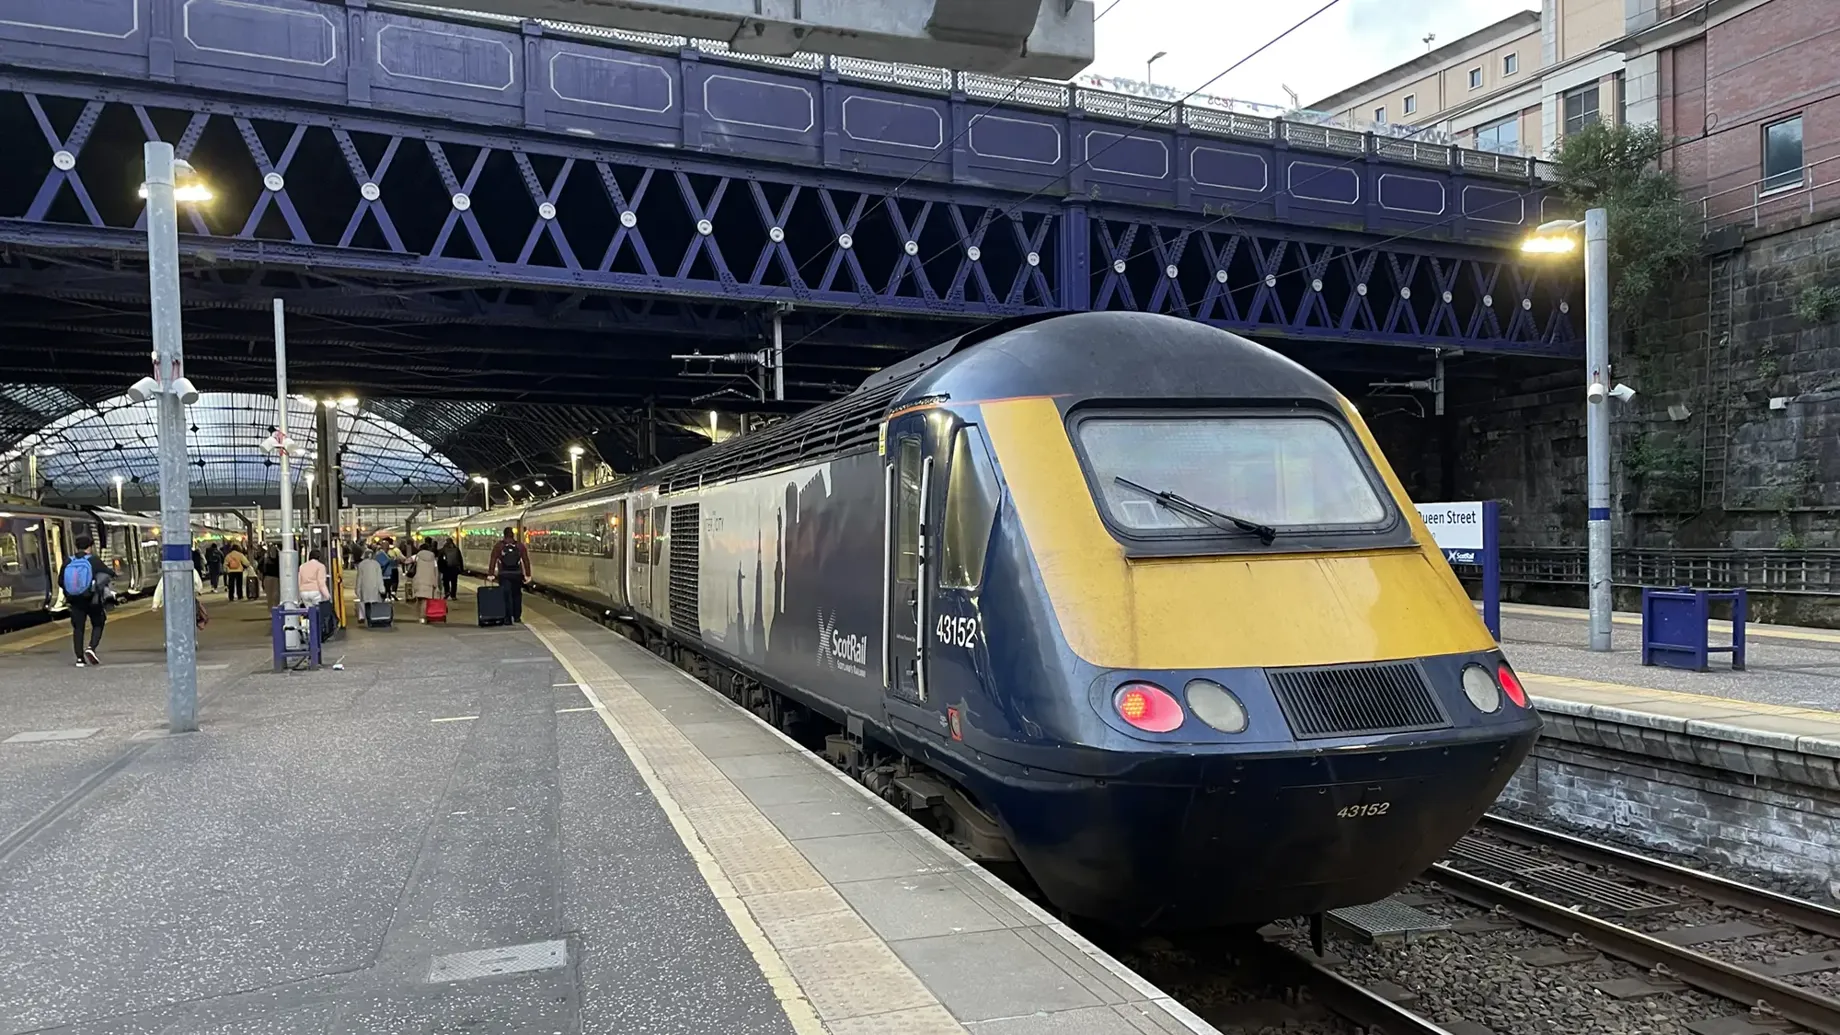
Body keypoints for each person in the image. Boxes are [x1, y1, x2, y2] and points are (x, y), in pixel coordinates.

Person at [60, 535, 113, 667]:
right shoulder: (93, 560)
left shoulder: (68, 561)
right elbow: (108, 572)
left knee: (78, 628)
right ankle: (91, 648)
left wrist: (72, 592)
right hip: (92, 599)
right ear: (90, 546)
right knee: (98, 623)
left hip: (74, 600)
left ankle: (79, 659)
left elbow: (60, 581)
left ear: (76, 547)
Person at [487, 526, 531, 624]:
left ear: (504, 535)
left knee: (506, 596)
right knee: (517, 595)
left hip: (504, 574)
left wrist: (491, 574)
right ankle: (517, 617)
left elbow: (493, 559)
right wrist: (528, 575)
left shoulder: (499, 546)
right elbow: (526, 560)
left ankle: (507, 618)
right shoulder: (520, 546)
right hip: (517, 575)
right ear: (513, 534)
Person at [411, 540, 441, 623]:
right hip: (429, 581)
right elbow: (436, 571)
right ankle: (423, 617)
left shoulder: (416, 556)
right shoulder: (433, 559)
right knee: (425, 600)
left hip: (418, 580)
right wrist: (436, 583)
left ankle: (420, 616)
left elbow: (407, 561)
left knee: (420, 599)